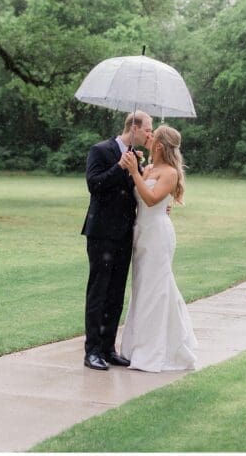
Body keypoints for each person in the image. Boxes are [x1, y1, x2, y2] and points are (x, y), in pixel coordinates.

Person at [119, 124, 198, 372]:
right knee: (142, 289)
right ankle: (136, 347)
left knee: (157, 289)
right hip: (141, 233)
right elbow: (139, 197)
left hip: (158, 236)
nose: (149, 138)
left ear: (160, 146)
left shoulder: (170, 172)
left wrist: (134, 173)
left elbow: (151, 199)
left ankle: (158, 350)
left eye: (152, 137)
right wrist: (136, 170)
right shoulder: (150, 168)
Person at [81, 110, 154, 370]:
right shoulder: (100, 150)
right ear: (133, 127)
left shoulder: (136, 157)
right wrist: (119, 167)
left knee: (116, 294)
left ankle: (108, 348)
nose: (150, 133)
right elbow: (94, 185)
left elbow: (136, 192)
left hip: (125, 234)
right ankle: (92, 351)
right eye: (147, 128)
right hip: (101, 233)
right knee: (99, 292)